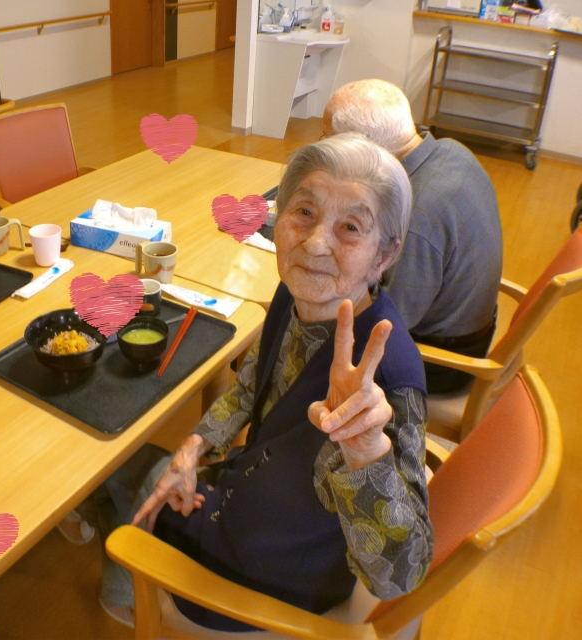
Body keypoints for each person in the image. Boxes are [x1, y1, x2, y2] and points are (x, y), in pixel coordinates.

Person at [92, 133, 433, 632]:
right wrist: (192, 448)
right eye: (305, 213)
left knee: (105, 463)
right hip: (250, 500)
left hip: (264, 576)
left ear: (384, 255)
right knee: (127, 462)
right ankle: (123, 577)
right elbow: (249, 387)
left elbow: (402, 575)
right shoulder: (295, 293)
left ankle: (124, 593)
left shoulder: (387, 376)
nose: (315, 243)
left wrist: (366, 454)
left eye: (350, 227)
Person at [323, 79, 503, 393]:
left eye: (327, 139)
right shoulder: (452, 150)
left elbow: (388, 323)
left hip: (442, 362)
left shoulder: (416, 218)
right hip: (466, 324)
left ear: (365, 147)